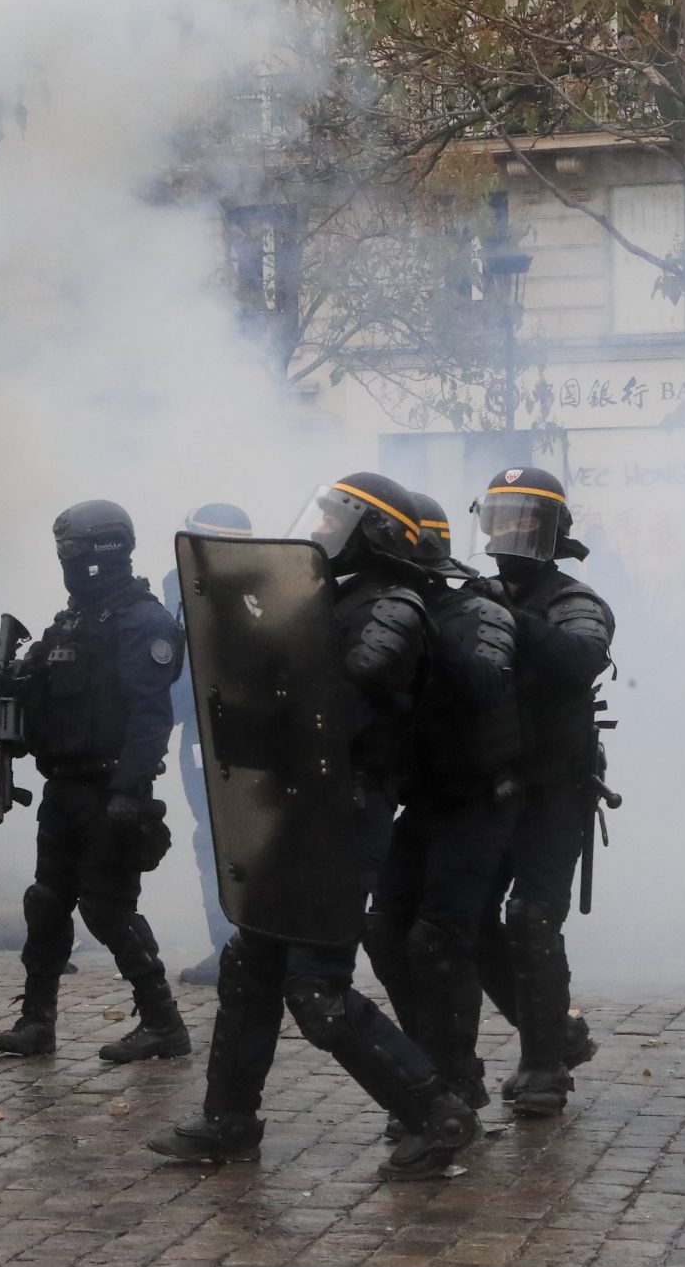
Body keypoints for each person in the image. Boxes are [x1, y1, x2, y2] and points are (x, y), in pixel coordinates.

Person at [148, 471, 481, 1182]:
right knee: (250, 964)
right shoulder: (331, 595)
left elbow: (354, 678)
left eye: (340, 519)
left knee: (318, 992)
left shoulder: (395, 604)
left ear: (379, 533)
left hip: (345, 812)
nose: (323, 530)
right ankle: (230, 1121)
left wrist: (289, 633)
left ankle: (437, 1112)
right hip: (299, 802)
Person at [0, 500, 191, 1063]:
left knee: (107, 909)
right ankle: (37, 1019)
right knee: (47, 902)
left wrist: (130, 790)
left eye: (73, 550)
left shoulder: (142, 622)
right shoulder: (74, 619)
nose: (66, 561)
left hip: (110, 792)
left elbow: (151, 716)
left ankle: (163, 1023)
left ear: (103, 550)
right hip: (64, 787)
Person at [362, 494, 520, 1117]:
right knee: (382, 931)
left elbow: (487, 682)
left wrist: (428, 629)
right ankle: (431, 1064)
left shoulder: (478, 608)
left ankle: (458, 1078)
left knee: (439, 938)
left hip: (480, 798)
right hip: (421, 799)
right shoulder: (386, 610)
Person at [470, 467, 613, 1118]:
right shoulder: (478, 593)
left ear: (552, 531)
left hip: (554, 788)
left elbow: (578, 658)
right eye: (501, 517)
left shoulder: (572, 599)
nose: (510, 532)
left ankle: (545, 1066)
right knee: (467, 921)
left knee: (531, 917)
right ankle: (554, 1033)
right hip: (489, 785)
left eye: (525, 520)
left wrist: (508, 617)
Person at [167, 503, 251, 986]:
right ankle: (226, 948)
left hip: (243, 736)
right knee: (209, 841)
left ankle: (253, 947)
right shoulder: (173, 587)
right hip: (198, 738)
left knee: (249, 844)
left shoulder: (262, 589)